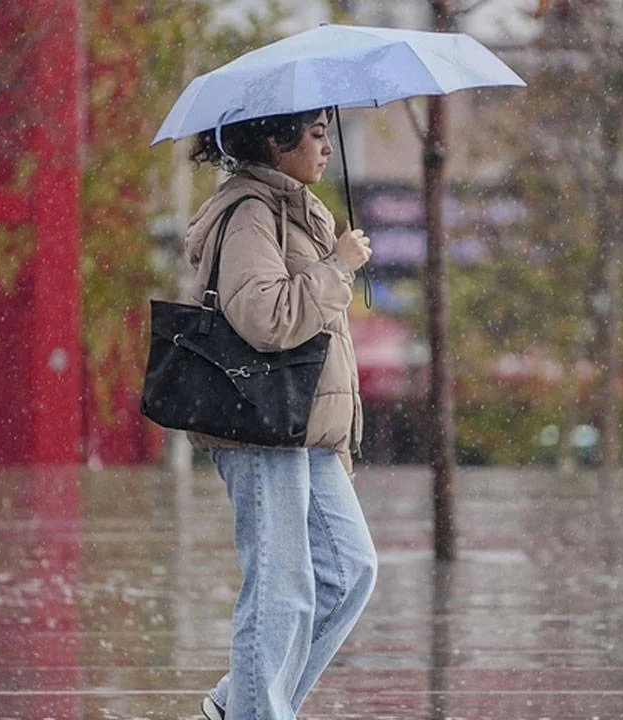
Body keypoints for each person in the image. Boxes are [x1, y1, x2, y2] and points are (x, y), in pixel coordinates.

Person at [183, 107, 378, 720]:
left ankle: (237, 704)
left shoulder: (293, 208)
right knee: (280, 589)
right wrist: (338, 268)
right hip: (262, 423)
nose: (326, 147)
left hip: (303, 427)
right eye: (316, 134)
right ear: (276, 139)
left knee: (348, 571)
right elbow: (266, 318)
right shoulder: (250, 213)